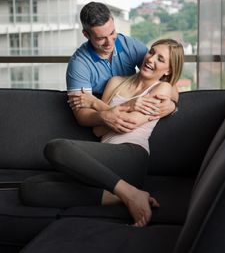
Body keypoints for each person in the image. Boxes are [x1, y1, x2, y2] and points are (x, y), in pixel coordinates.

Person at [20, 39, 184, 228]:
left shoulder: (162, 88)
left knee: (56, 148)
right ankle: (125, 195)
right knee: (30, 188)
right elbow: (98, 130)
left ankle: (129, 193)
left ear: (168, 70)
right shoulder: (116, 82)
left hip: (131, 157)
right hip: (105, 164)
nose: (151, 59)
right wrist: (127, 106)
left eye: (160, 59)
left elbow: (130, 122)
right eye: (151, 52)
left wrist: (95, 103)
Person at [66, 2, 178, 133]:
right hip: (99, 124)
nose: (109, 42)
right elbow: (82, 116)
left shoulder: (129, 45)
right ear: (86, 35)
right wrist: (104, 116)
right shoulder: (78, 64)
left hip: (132, 115)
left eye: (112, 32)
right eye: (101, 38)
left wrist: (172, 105)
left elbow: (164, 75)